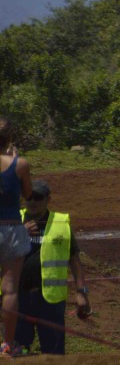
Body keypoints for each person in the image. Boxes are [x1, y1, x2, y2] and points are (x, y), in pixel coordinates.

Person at [15, 180, 90, 355]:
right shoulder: (14, 221)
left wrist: (81, 292)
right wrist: (20, 233)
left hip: (50, 302)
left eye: (38, 197)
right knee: (18, 352)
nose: (33, 202)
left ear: (49, 199)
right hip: (19, 298)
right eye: (29, 197)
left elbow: (74, 260)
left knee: (53, 353)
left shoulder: (61, 224)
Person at [0, 117, 32, 358]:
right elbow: (28, 194)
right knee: (10, 290)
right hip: (11, 228)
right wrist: (14, 157)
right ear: (9, 139)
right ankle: (8, 344)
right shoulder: (20, 165)